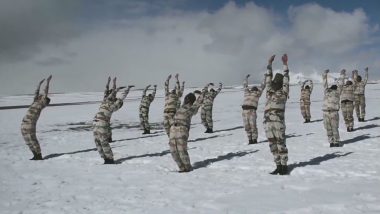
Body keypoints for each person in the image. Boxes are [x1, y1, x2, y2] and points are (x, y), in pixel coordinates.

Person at [93, 78, 134, 164]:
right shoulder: (105, 101)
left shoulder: (114, 105)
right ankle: (104, 158)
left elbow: (121, 97)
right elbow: (110, 92)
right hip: (95, 123)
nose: (110, 95)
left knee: (103, 142)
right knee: (97, 142)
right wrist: (114, 85)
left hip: (102, 123)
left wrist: (127, 89)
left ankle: (110, 159)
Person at [264, 54, 290, 175]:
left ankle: (284, 166)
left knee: (280, 144)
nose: (274, 83)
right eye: (274, 81)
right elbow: (268, 78)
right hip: (268, 122)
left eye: (276, 82)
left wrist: (285, 64)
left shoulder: (283, 93)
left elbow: (286, 78)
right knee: (272, 145)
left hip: (278, 121)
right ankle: (278, 165)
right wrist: (269, 64)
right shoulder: (269, 92)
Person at [169, 88, 206, 172]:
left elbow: (198, 102)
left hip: (182, 130)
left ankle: (188, 168)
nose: (185, 99)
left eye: (187, 98)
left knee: (181, 150)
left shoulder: (192, 108)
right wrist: (192, 93)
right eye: (186, 98)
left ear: (190, 101)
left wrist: (202, 92)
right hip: (173, 129)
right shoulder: (182, 107)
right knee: (173, 150)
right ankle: (182, 168)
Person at [21, 75, 52, 160]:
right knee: (26, 139)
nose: (40, 96)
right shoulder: (35, 101)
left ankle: (39, 155)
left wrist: (48, 82)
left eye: (42, 96)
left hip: (30, 123)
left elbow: (45, 92)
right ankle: (34, 154)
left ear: (44, 100)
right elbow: (36, 93)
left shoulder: (41, 104)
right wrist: (39, 84)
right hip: (24, 122)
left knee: (32, 138)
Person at [242, 74, 266, 144]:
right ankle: (250, 140)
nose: (254, 89)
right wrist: (246, 78)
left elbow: (263, 86)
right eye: (253, 88)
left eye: (255, 89)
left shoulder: (258, 93)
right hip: (244, 111)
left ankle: (254, 139)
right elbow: (245, 85)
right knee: (247, 126)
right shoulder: (247, 92)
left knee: (253, 126)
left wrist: (265, 77)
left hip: (252, 111)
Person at [322, 69, 344, 147]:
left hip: (334, 112)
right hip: (325, 112)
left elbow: (341, 84)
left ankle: (336, 141)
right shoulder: (327, 91)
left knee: (334, 127)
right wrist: (325, 74)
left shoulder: (338, 92)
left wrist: (342, 75)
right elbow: (325, 83)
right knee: (328, 128)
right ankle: (331, 141)